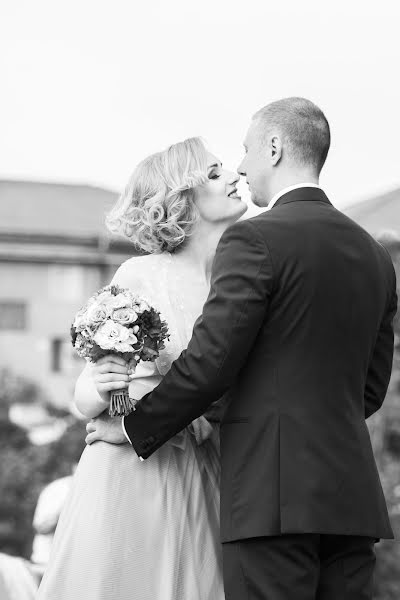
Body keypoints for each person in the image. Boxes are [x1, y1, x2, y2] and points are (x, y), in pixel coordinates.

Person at [90, 98, 397, 600]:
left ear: (274, 148)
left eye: (246, 150)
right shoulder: (375, 256)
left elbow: (211, 362)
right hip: (352, 500)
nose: (240, 167)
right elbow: (369, 390)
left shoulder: (254, 239)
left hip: (270, 497)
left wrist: (133, 425)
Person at [36, 137, 247, 600]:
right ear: (182, 197)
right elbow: (89, 391)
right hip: (133, 469)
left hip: (201, 468)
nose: (235, 175)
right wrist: (99, 384)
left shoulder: (239, 279)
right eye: (214, 173)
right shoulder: (141, 275)